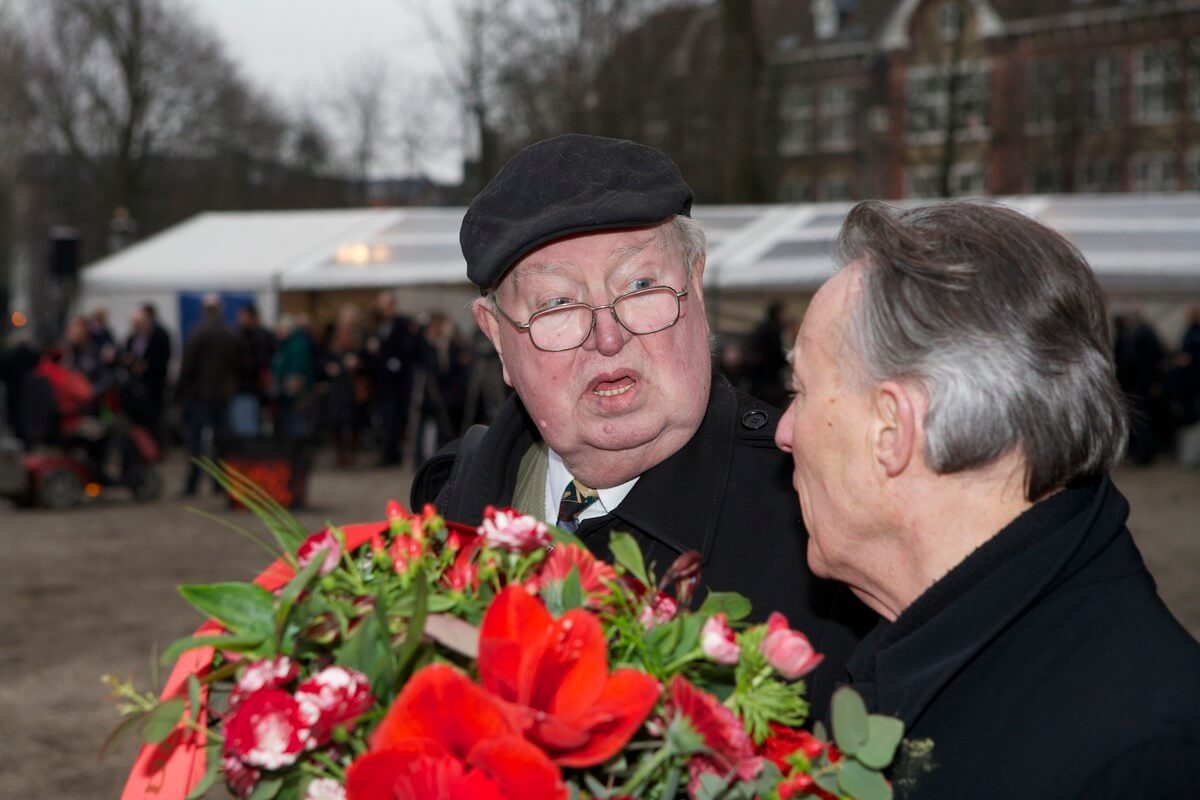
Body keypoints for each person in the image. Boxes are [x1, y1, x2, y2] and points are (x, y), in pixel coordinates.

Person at [412, 133, 873, 719]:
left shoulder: (824, 520)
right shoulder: (454, 501)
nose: (609, 337)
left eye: (640, 286)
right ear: (497, 336)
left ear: (697, 287)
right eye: (557, 304)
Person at [774, 200, 1200, 798]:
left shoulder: (1138, 759)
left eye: (801, 391)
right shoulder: (958, 647)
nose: (782, 431)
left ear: (892, 430)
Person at [177, 294, 239, 496]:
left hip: (200, 396)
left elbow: (187, 367)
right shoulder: (229, 334)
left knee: (196, 443)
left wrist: (180, 392)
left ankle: (193, 484)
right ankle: (219, 484)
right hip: (221, 395)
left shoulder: (198, 334)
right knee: (220, 442)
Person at [368, 291, 418, 466]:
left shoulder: (402, 324)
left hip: (398, 383)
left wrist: (392, 361)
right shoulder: (380, 324)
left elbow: (407, 349)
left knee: (395, 419)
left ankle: (393, 454)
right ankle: (388, 453)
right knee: (386, 419)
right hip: (384, 383)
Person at [124, 303, 171, 444]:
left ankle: (156, 446)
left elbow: (164, 358)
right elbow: (127, 355)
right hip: (136, 386)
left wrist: (147, 366)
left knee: (155, 419)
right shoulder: (133, 338)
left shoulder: (160, 335)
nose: (138, 326)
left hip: (154, 385)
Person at [231, 303, 275, 438]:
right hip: (256, 388)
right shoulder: (264, 335)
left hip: (247, 388)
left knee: (246, 427)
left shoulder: (246, 336)